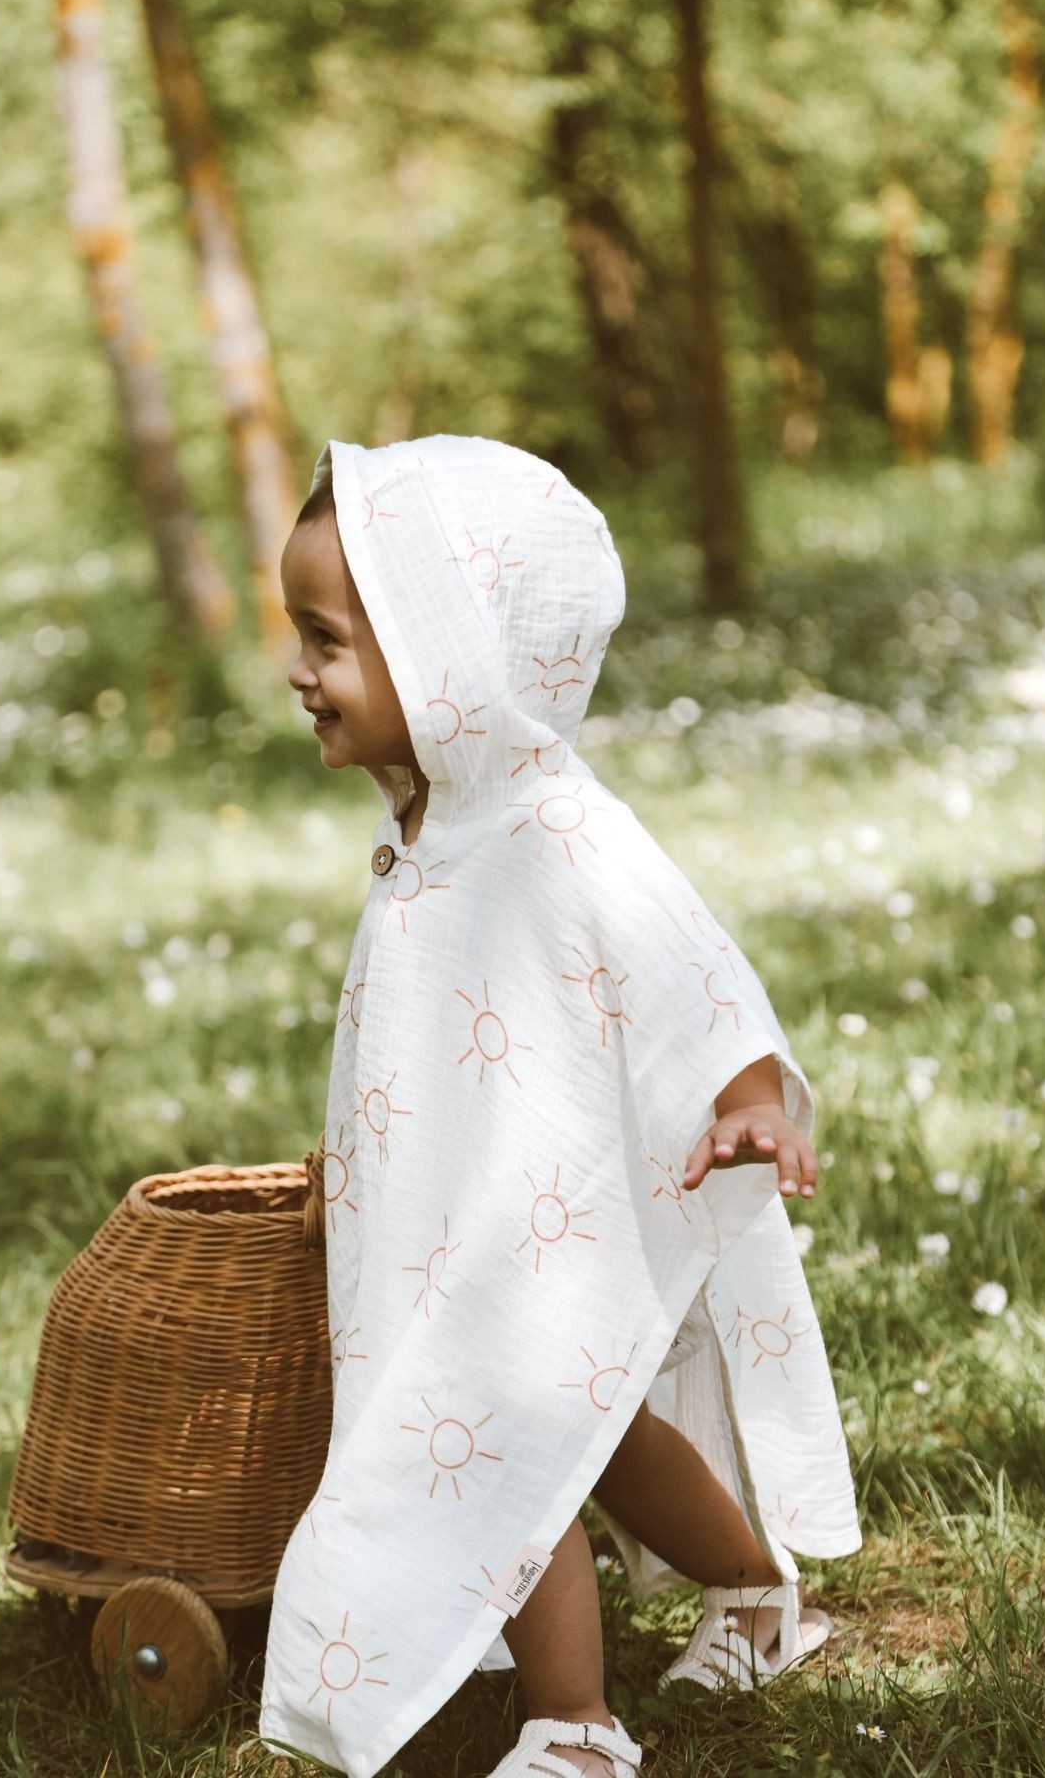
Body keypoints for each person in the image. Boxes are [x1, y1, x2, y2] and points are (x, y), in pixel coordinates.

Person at [255, 434, 862, 1778]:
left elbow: (688, 960)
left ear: (452, 652)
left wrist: (752, 1095)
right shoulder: (429, 826)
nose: (297, 671)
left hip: (539, 1220)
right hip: (447, 1213)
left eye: (328, 639)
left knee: (505, 1442)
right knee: (602, 1440)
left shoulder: (554, 826)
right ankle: (759, 1591)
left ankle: (576, 1721)